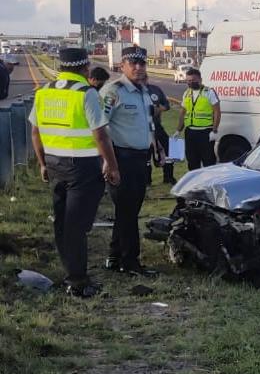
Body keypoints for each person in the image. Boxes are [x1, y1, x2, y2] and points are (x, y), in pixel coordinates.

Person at [29, 48, 121, 297]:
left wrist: (42, 163)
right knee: (77, 226)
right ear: (86, 68)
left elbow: (35, 132)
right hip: (83, 167)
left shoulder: (44, 91)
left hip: (55, 164)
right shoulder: (85, 93)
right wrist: (112, 166)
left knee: (63, 222)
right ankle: (77, 282)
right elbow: (100, 134)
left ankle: (70, 272)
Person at [101, 46, 157, 276]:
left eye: (141, 63)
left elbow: (147, 124)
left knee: (128, 211)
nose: (138, 67)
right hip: (121, 159)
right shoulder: (113, 91)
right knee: (128, 212)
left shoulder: (142, 91)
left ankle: (115, 258)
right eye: (132, 63)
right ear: (121, 65)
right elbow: (100, 128)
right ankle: (130, 262)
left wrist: (157, 146)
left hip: (139, 159)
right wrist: (108, 162)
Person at [175, 68, 221, 170]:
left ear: (200, 79)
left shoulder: (209, 92)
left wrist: (214, 130)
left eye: (193, 80)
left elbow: (217, 111)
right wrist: (178, 130)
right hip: (190, 133)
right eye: (188, 81)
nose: (190, 83)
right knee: (192, 161)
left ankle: (208, 183)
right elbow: (183, 113)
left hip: (205, 133)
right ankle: (195, 183)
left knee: (208, 161)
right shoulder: (186, 93)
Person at [143, 73, 175, 185]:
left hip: (157, 127)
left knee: (169, 150)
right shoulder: (133, 91)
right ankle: (146, 181)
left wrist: (159, 109)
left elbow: (166, 105)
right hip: (142, 130)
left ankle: (169, 177)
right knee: (145, 156)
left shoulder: (155, 89)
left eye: (144, 78)